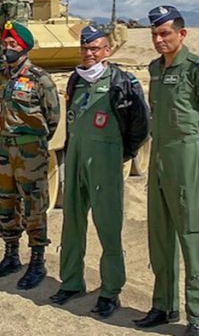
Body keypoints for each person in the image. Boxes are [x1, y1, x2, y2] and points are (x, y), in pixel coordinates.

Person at [135, 6, 199, 336]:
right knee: (160, 235)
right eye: (155, 34)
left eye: (165, 33)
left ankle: (198, 316)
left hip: (187, 156)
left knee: (192, 235)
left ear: (182, 34)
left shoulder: (197, 69)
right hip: (159, 156)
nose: (159, 40)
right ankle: (163, 306)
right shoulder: (155, 69)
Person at [50, 25, 149, 318]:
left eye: (95, 48)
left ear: (107, 50)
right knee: (72, 223)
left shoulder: (121, 82)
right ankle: (71, 282)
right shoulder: (76, 80)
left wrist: (122, 153)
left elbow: (141, 125)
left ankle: (110, 291)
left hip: (105, 160)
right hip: (76, 158)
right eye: (85, 48)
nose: (89, 53)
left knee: (108, 226)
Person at [0, 22, 60, 290]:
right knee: (6, 201)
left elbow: (53, 117)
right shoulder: (2, 76)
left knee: (34, 204)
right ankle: (11, 255)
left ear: (25, 48)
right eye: (5, 44)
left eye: (13, 44)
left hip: (30, 149)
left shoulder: (40, 78)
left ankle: (37, 261)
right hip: (6, 147)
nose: (8, 48)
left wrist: (35, 140)